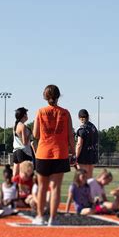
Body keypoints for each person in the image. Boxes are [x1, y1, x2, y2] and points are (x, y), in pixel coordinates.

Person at [33, 85, 75, 226]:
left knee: (42, 188)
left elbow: (35, 134)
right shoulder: (65, 113)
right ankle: (53, 218)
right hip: (60, 153)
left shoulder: (40, 111)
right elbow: (70, 135)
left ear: (45, 96)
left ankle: (40, 216)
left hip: (43, 152)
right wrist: (74, 151)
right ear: (58, 96)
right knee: (56, 187)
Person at [75, 109, 99, 178]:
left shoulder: (82, 129)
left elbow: (79, 144)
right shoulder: (93, 127)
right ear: (88, 116)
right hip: (92, 154)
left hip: (83, 156)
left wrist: (76, 157)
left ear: (79, 117)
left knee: (81, 178)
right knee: (89, 178)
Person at [13, 107, 35, 176]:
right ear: (24, 115)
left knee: (15, 173)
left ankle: (14, 186)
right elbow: (25, 142)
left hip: (16, 151)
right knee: (25, 174)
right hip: (23, 151)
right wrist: (30, 133)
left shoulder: (14, 126)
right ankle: (22, 186)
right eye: (26, 114)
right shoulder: (23, 126)